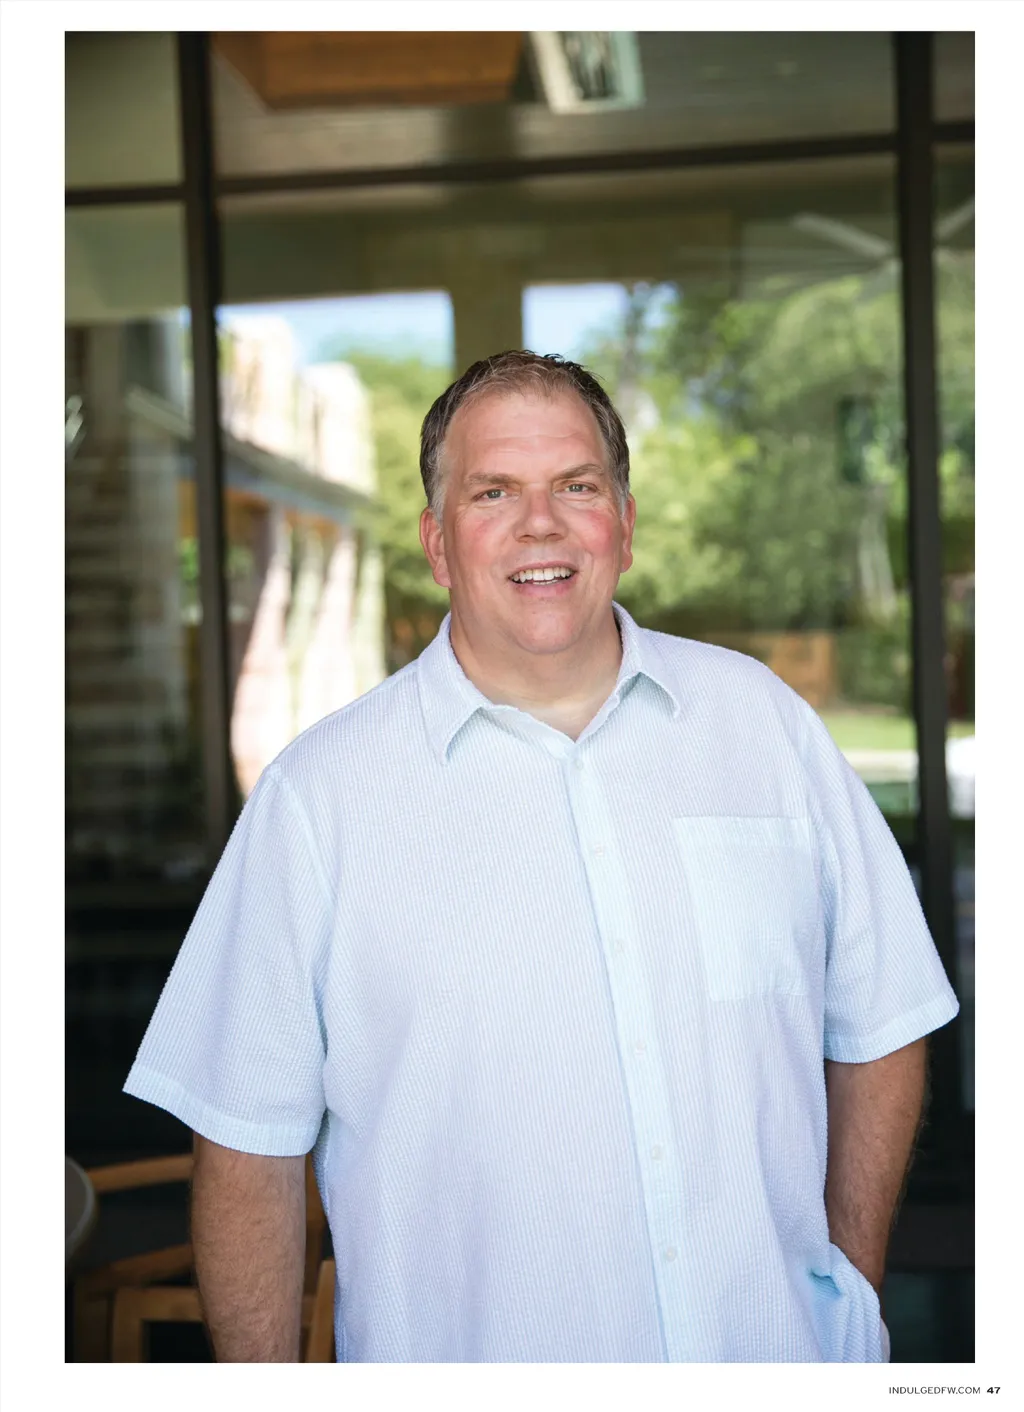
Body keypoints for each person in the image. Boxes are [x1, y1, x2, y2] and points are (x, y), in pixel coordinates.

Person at [125, 350, 958, 1363]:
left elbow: (883, 1017)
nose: (540, 524)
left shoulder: (764, 727)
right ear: (437, 543)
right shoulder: (318, 800)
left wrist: (848, 1289)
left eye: (576, 485)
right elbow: (244, 1146)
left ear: (625, 523)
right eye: (493, 492)